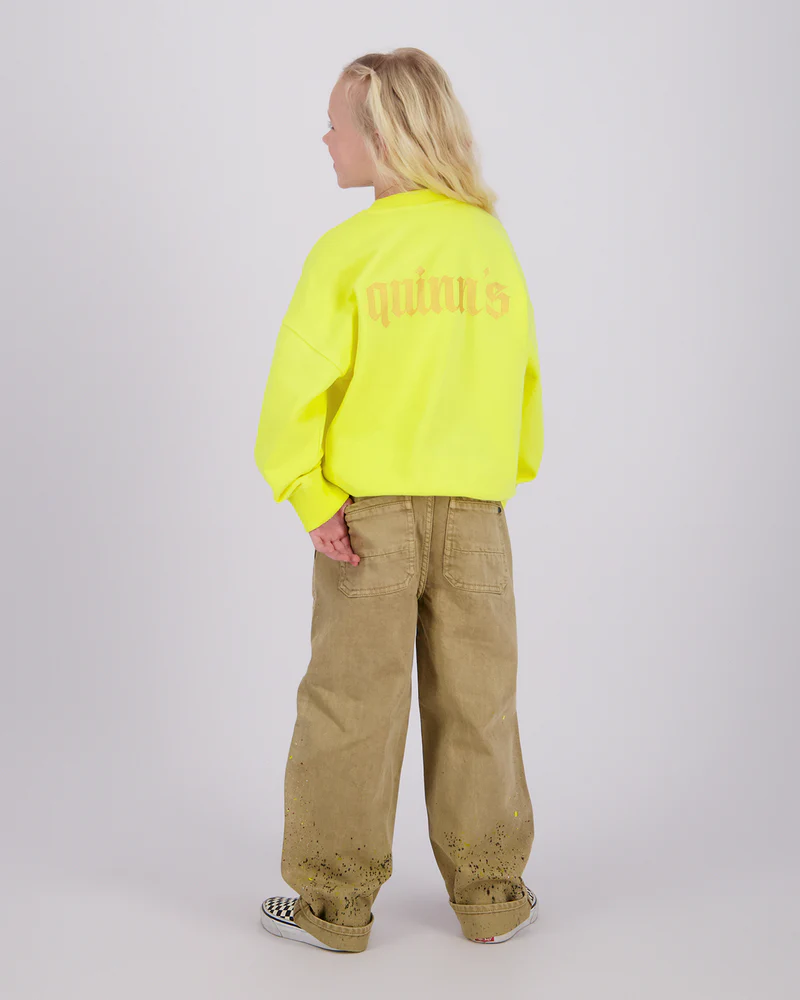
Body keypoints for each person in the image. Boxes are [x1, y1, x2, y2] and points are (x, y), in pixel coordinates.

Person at [254, 47, 543, 953]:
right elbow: (524, 378)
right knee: (480, 705)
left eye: (336, 123)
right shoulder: (488, 243)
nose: (325, 138)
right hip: (476, 516)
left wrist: (308, 493)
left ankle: (334, 911)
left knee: (351, 706)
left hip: (365, 522)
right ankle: (492, 898)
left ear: (382, 136)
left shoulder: (346, 252)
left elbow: (293, 390)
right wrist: (500, 474)